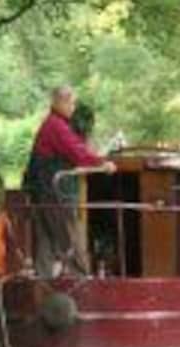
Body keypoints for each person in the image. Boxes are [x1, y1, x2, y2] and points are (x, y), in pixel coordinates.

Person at [22, 86, 115, 277]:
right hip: (53, 192)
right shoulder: (56, 126)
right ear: (61, 102)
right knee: (71, 236)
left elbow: (75, 148)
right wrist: (102, 163)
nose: (73, 108)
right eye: (71, 103)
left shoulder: (54, 124)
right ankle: (82, 281)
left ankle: (44, 283)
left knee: (47, 238)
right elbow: (77, 152)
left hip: (42, 191)